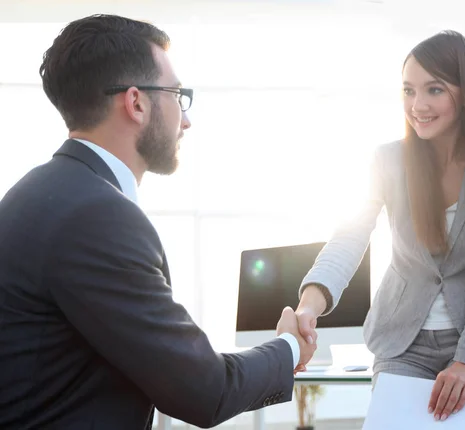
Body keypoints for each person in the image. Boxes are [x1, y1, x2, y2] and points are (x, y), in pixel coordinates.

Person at [0, 14, 315, 429]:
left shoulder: (39, 192)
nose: (186, 119)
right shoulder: (96, 216)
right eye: (178, 95)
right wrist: (290, 346)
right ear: (136, 102)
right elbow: (205, 391)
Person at [294, 30, 465, 429]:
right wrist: (310, 304)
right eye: (409, 91)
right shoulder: (387, 160)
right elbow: (351, 235)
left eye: (434, 90)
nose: (418, 105)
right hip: (404, 346)